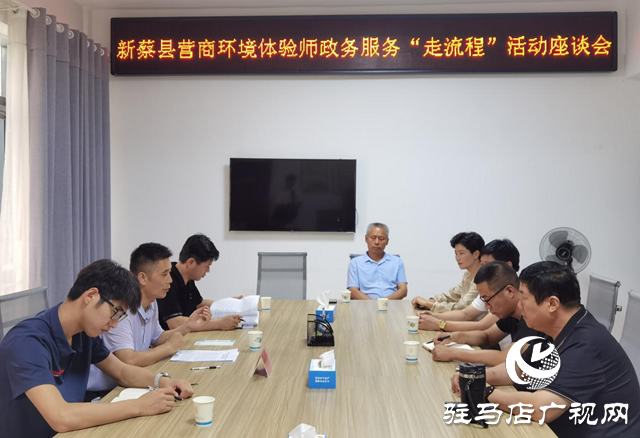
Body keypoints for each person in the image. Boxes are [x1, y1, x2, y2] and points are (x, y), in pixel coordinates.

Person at [0, 259, 194, 438]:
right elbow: (60, 416)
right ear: (91, 296)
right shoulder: (27, 342)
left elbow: (121, 371)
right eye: (115, 312)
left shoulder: (83, 333)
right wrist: (139, 406)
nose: (114, 324)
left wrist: (163, 381)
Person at [470, 261, 640, 437]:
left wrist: (485, 391)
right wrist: (473, 377)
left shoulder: (587, 345)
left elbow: (542, 409)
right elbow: (517, 370)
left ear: (552, 303)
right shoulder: (553, 330)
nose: (519, 305)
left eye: (524, 298)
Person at [87, 243, 212, 396]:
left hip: (129, 382)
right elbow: (128, 360)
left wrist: (188, 326)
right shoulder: (120, 309)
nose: (170, 280)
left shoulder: (152, 303)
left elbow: (157, 338)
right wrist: (168, 348)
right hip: (107, 391)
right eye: (164, 274)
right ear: (143, 278)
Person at [428, 261, 537, 366]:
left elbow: (506, 358)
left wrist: (453, 353)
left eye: (487, 299)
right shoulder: (511, 313)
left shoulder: (530, 318)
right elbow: (487, 336)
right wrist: (453, 337)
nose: (486, 306)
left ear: (509, 291)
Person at [418, 239, 520, 333]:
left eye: (488, 265)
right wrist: (433, 316)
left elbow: (482, 326)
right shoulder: (486, 287)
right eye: (482, 264)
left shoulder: (508, 296)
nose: (483, 269)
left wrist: (439, 324)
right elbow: (465, 314)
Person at [157, 233, 243, 330]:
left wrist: (227, 304)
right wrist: (219, 323)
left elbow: (198, 304)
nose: (208, 270)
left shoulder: (188, 279)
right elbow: (175, 322)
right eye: (207, 266)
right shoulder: (168, 280)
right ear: (191, 262)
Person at [411, 231, 484, 312]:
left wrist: (429, 304)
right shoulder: (467, 275)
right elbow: (452, 295)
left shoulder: (483, 277)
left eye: (461, 253)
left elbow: (463, 307)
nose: (457, 258)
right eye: (456, 253)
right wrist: (431, 300)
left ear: (476, 254)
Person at [347, 222, 408, 300]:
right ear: (366, 239)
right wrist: (373, 303)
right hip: (365, 303)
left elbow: (403, 290)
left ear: (387, 241)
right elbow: (353, 290)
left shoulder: (397, 262)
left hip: (392, 303)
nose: (376, 242)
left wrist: (383, 302)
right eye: (373, 238)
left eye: (381, 238)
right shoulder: (355, 263)